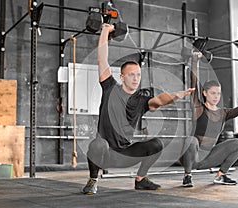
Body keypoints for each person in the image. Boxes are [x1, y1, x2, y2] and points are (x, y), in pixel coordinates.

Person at [82, 23, 195, 194]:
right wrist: (105, 30)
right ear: (122, 76)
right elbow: (102, 59)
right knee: (98, 144)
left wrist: (175, 95)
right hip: (105, 153)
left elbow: (159, 100)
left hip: (125, 154)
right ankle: (93, 180)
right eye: (131, 75)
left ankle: (141, 179)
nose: (136, 78)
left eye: (138, 75)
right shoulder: (110, 88)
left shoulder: (142, 99)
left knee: (156, 144)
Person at [180, 52, 238, 187]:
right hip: (192, 157)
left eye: (218, 93)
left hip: (209, 157)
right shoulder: (198, 108)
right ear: (204, 93)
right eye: (213, 93)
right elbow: (193, 84)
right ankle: (187, 176)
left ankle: (221, 175)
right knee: (191, 140)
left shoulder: (223, 113)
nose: (216, 96)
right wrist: (195, 60)